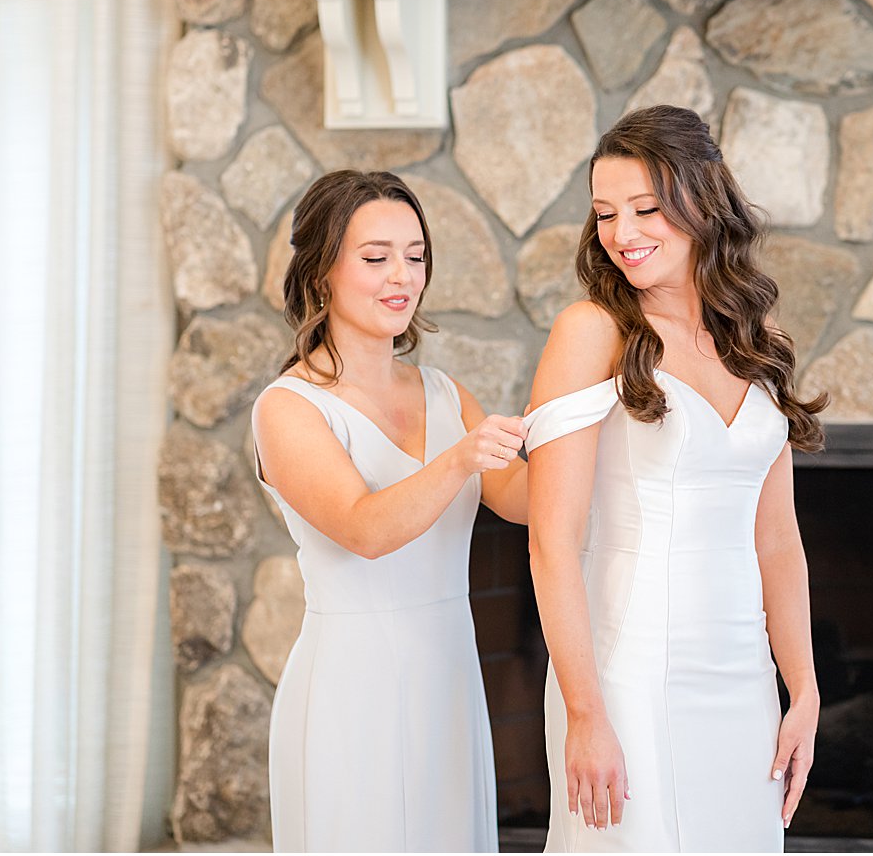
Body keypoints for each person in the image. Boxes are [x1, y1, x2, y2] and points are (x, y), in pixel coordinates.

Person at [524, 105, 824, 851]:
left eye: (645, 208)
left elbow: (778, 540)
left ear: (701, 199)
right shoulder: (592, 330)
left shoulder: (758, 339)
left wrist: (805, 689)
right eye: (604, 214)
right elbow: (551, 541)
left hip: (742, 676)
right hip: (627, 674)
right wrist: (586, 711)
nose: (622, 234)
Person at [251, 169, 528, 852]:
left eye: (415, 255)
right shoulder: (288, 408)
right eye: (375, 257)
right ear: (322, 273)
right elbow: (365, 528)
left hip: (450, 676)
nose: (400, 274)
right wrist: (463, 457)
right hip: (353, 686)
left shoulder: (444, 391)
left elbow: (522, 500)